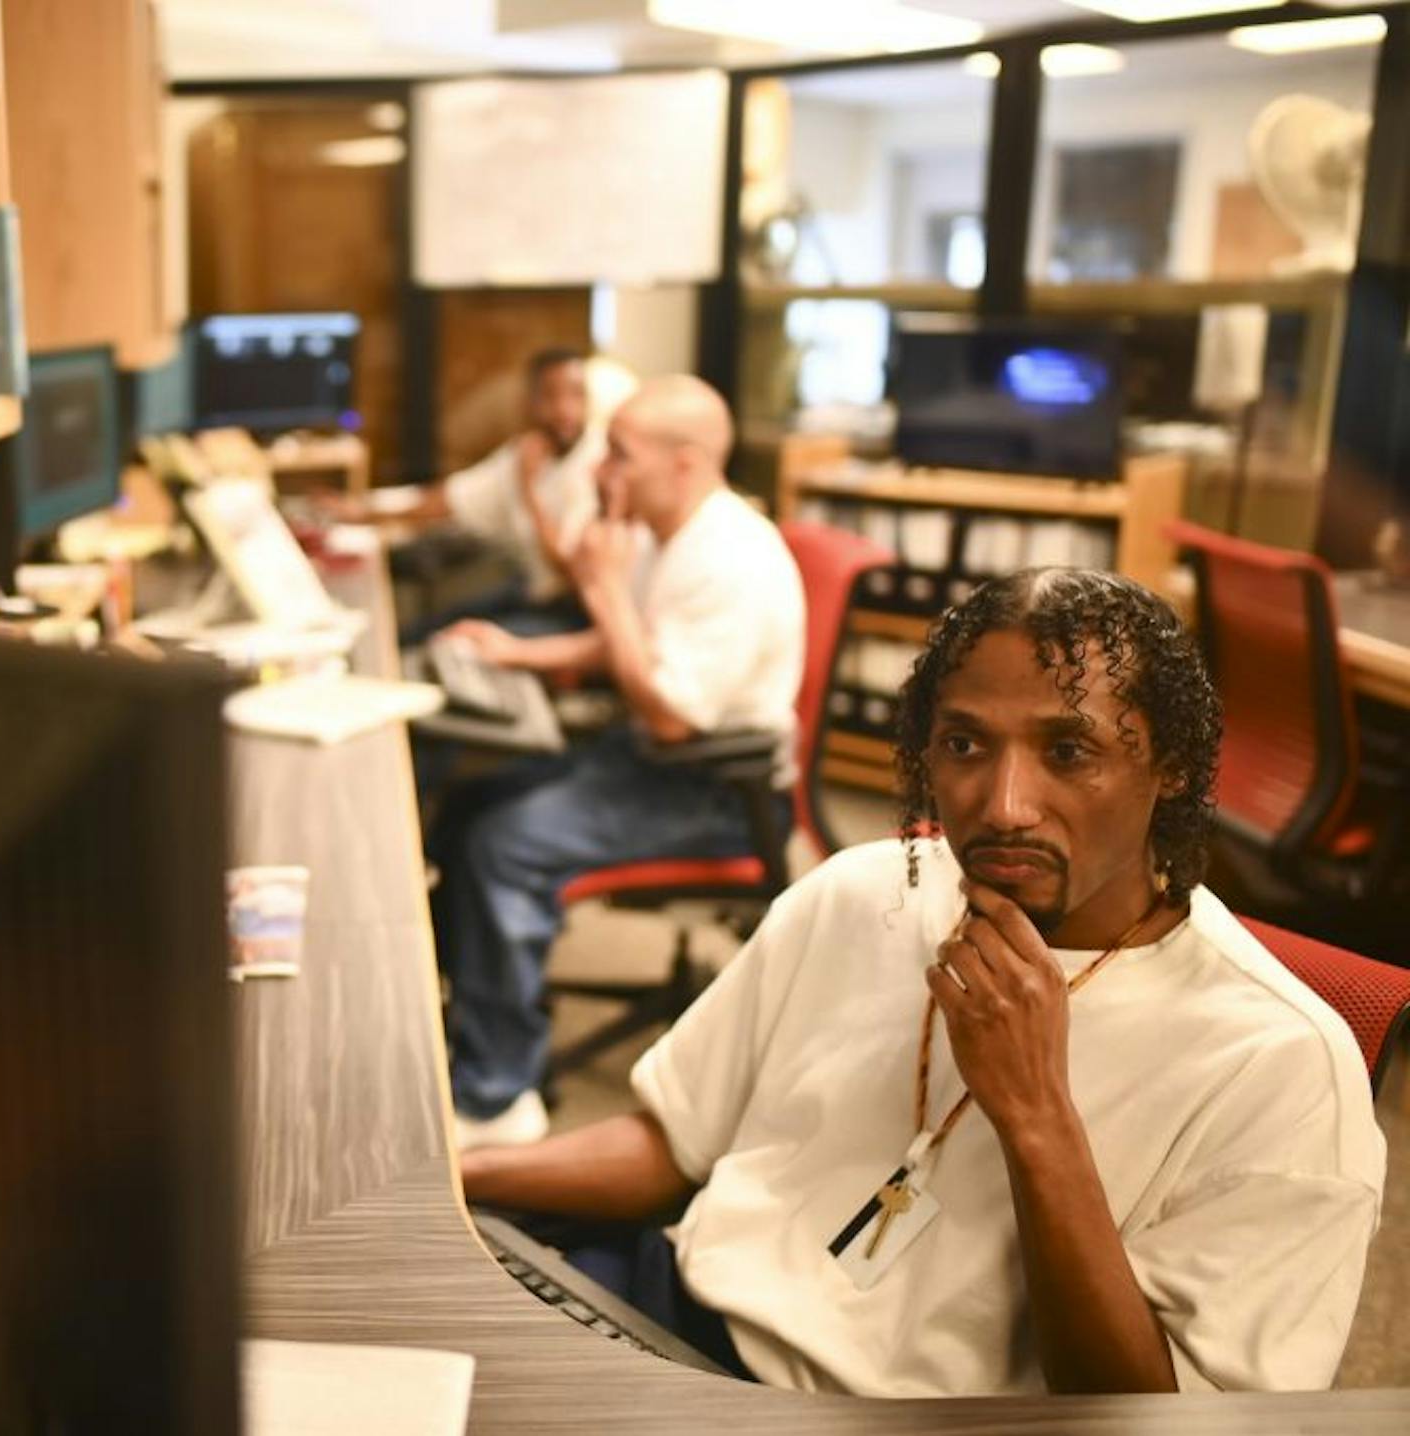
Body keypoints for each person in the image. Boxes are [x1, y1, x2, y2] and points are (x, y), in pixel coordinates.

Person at [461, 569, 1386, 1396]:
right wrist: (452, 1177)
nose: (1005, 806)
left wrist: (1036, 1115)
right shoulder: (863, 893)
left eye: (1069, 751)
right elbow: (673, 1144)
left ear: (1171, 766)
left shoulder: (1280, 1066)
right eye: (966, 745)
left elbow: (1151, 1418)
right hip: (663, 1315)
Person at [431, 375, 803, 1149]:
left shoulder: (730, 559)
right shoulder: (666, 534)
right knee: (465, 806)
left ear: (685, 462)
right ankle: (481, 1019)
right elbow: (631, 644)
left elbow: (670, 714)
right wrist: (520, 653)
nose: (603, 471)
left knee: (505, 844)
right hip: (658, 755)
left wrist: (601, 588)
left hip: (717, 789)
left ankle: (499, 1096)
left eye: (621, 455)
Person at [329, 348, 603, 638]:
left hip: (573, 614)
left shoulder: (598, 464)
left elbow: (568, 566)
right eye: (550, 396)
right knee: (418, 633)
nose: (565, 410)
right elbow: (450, 498)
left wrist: (529, 489)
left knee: (454, 645)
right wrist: (364, 513)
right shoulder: (526, 455)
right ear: (529, 403)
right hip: (531, 593)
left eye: (576, 395)